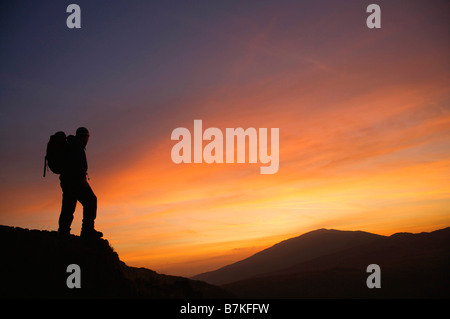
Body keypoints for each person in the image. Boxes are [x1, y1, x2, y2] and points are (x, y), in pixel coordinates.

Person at [58, 127, 103, 239]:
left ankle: (63, 232)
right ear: (85, 137)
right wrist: (82, 178)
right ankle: (87, 231)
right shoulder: (77, 146)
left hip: (66, 181)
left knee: (68, 207)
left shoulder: (70, 145)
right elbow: (77, 164)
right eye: (87, 138)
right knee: (91, 201)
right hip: (76, 181)